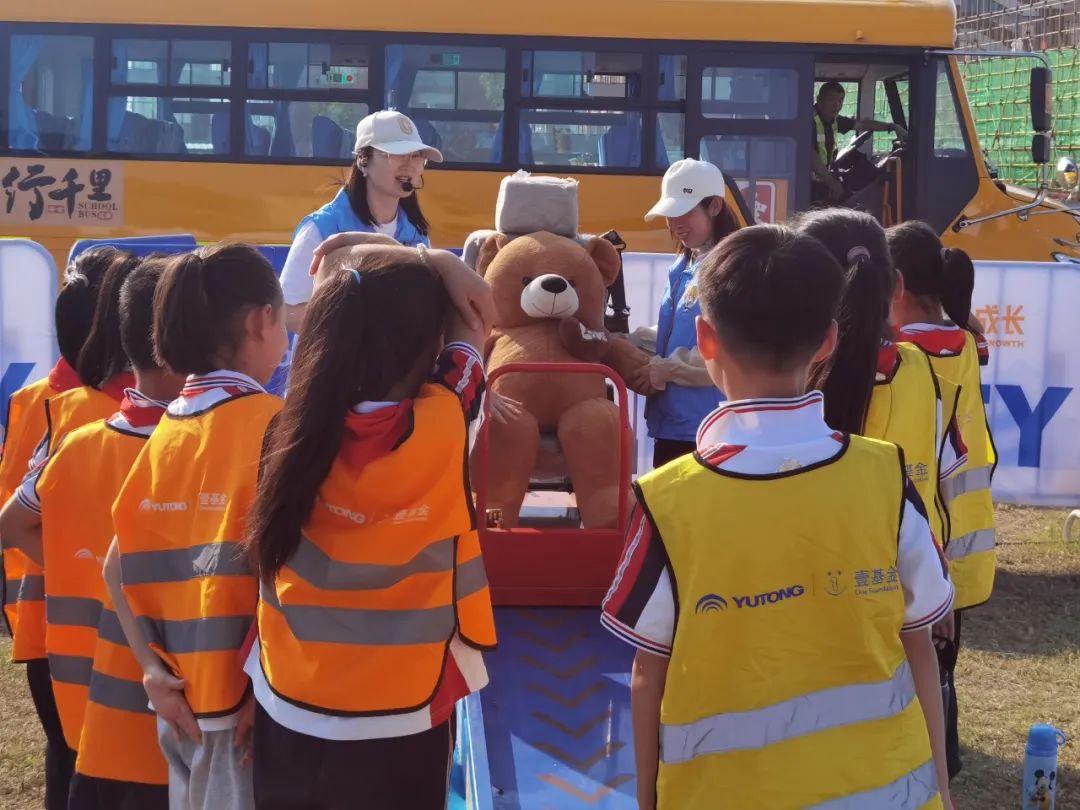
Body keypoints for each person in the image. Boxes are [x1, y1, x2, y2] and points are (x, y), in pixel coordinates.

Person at [601, 224, 954, 809]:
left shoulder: (667, 501)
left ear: (705, 340)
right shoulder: (886, 476)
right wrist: (941, 786)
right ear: (828, 341)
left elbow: (648, 674)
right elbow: (920, 645)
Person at [245, 244, 496, 810]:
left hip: (290, 693)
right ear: (428, 348)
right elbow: (476, 319)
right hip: (406, 701)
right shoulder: (450, 418)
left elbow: (354, 286)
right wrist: (436, 258)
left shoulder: (288, 427)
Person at [108, 244, 289, 810]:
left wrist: (150, 673)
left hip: (178, 699)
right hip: (243, 710)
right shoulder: (274, 423)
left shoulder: (169, 426)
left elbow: (116, 565)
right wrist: (265, 684)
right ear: (262, 320)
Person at [0, 257, 182, 809]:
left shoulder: (57, 408)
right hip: (101, 639)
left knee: (78, 770)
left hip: (58, 626)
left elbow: (18, 515)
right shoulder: (98, 418)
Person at [888, 220, 997, 781]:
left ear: (896, 284)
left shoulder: (909, 358)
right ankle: (943, 758)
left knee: (919, 669)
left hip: (927, 544)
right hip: (962, 539)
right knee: (941, 668)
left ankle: (930, 767)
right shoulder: (964, 341)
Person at [797, 209, 967, 548]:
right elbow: (947, 469)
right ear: (897, 285)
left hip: (815, 583)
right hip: (912, 575)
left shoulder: (790, 382)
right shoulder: (924, 370)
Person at [279, 110, 442, 332]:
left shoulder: (417, 236)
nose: (409, 165)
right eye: (396, 154)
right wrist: (355, 322)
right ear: (363, 162)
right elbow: (287, 312)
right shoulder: (321, 229)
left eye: (417, 156)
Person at [633, 158, 740, 468]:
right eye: (669, 214)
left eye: (684, 211)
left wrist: (667, 369)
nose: (674, 223)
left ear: (715, 206)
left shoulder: (731, 267)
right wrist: (629, 341)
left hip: (708, 427)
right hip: (673, 424)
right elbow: (676, 334)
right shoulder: (684, 265)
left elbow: (726, 350)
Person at [812, 81, 907, 203]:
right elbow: (810, 156)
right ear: (819, 99)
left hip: (821, 177)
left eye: (840, 100)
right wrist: (831, 182)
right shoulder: (810, 120)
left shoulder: (833, 120)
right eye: (831, 99)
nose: (836, 105)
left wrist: (892, 126)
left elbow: (862, 124)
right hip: (808, 181)